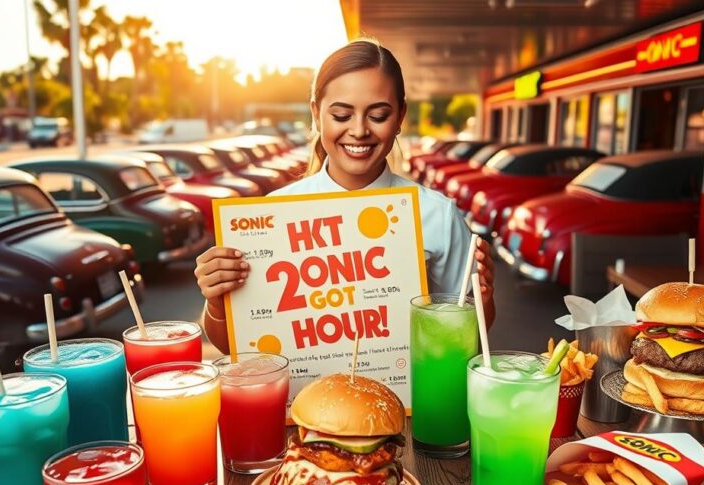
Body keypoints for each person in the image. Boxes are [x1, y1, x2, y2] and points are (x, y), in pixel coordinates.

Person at [195, 39, 495, 354]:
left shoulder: (437, 214)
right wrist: (216, 300)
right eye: (341, 115)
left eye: (378, 115)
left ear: (400, 117)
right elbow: (234, 348)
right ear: (316, 113)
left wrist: (484, 298)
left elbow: (471, 340)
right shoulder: (271, 217)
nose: (359, 130)